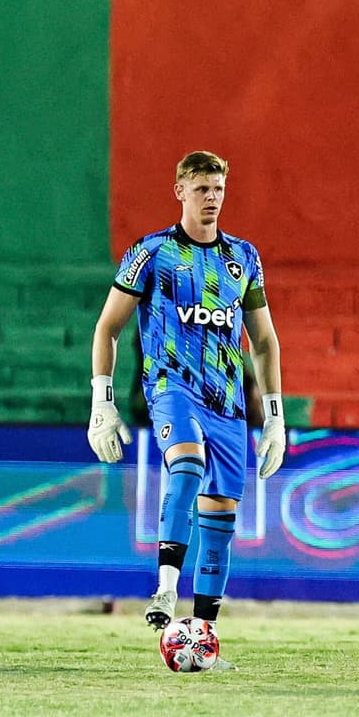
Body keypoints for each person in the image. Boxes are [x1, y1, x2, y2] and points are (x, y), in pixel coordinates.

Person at [87, 150, 286, 670]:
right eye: (201, 189)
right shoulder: (151, 252)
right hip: (172, 387)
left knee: (220, 517)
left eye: (218, 189)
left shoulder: (243, 257)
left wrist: (274, 417)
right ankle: (165, 588)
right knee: (188, 464)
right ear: (180, 192)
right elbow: (108, 327)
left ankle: (203, 637)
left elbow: (264, 340)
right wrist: (103, 402)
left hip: (228, 403)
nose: (211, 198)